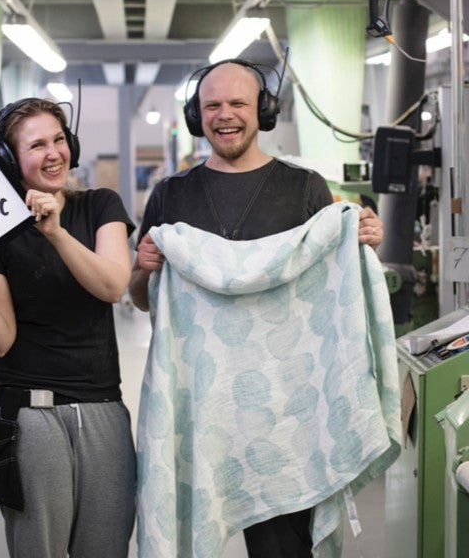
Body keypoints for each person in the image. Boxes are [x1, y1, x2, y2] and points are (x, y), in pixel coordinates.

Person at [129, 59, 386, 558]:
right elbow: (143, 299)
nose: (225, 116)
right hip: (201, 408)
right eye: (212, 106)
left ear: (263, 110)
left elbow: (331, 291)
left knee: (283, 551)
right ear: (195, 116)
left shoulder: (304, 187)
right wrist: (141, 269)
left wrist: (359, 243)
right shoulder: (171, 194)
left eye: (238, 103)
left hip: (285, 419)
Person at [0, 98, 136, 558]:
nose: (53, 153)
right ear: (9, 160)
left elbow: (112, 284)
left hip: (102, 407)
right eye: (36, 144)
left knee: (106, 548)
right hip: (30, 414)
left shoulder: (99, 205)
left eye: (59, 139)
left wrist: (56, 232)